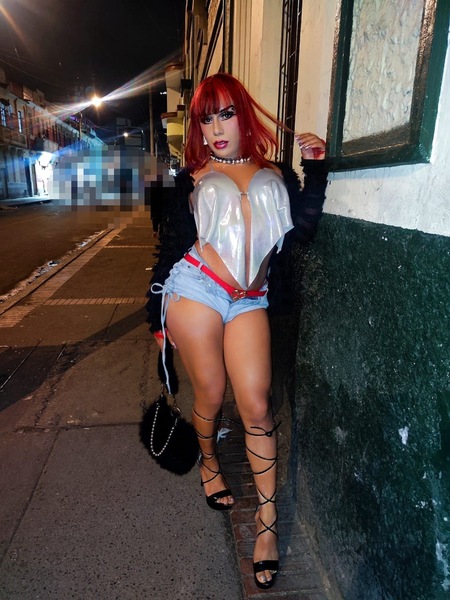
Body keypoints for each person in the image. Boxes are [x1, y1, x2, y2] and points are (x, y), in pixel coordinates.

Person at [146, 73, 328, 590]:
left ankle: (267, 523)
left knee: (256, 405)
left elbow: (303, 229)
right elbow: (170, 247)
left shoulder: (275, 173)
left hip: (250, 298)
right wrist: (156, 319)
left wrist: (316, 168)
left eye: (225, 114)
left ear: (243, 116)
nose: (216, 128)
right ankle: (209, 464)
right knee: (211, 392)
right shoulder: (190, 177)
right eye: (206, 119)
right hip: (196, 290)